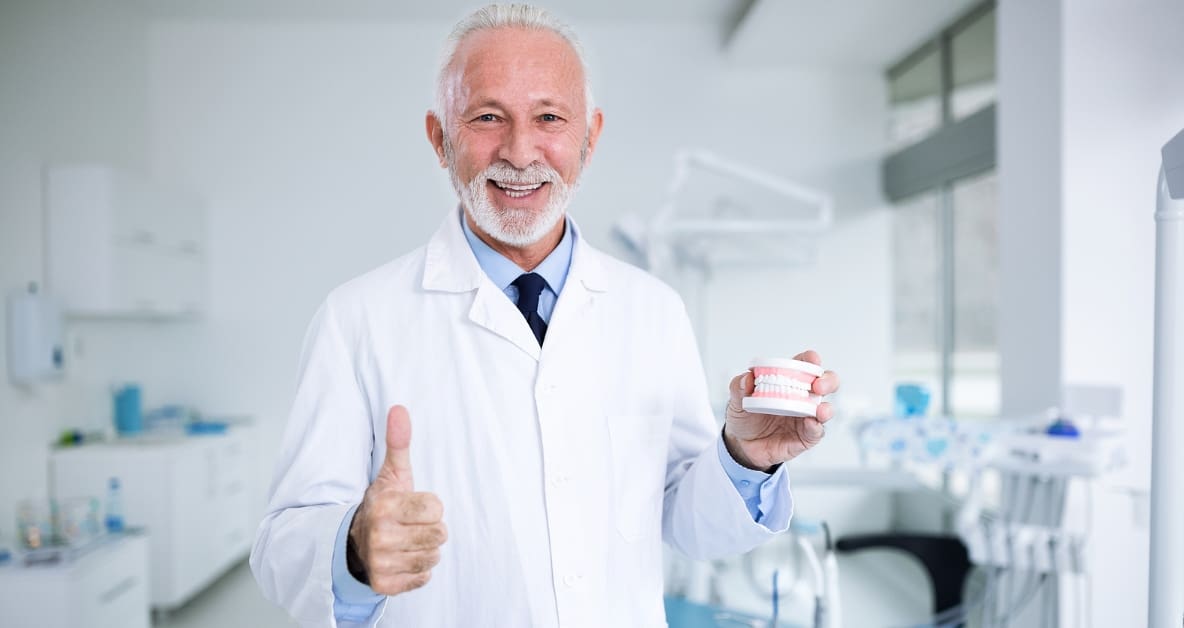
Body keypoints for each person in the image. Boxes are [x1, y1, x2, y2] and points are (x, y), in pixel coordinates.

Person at [249, 4, 840, 627]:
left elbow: (688, 525)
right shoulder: (356, 321)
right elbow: (281, 546)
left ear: (590, 136)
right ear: (439, 138)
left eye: (550, 117)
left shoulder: (653, 312)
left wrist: (746, 459)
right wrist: (353, 549)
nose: (520, 150)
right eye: (486, 117)